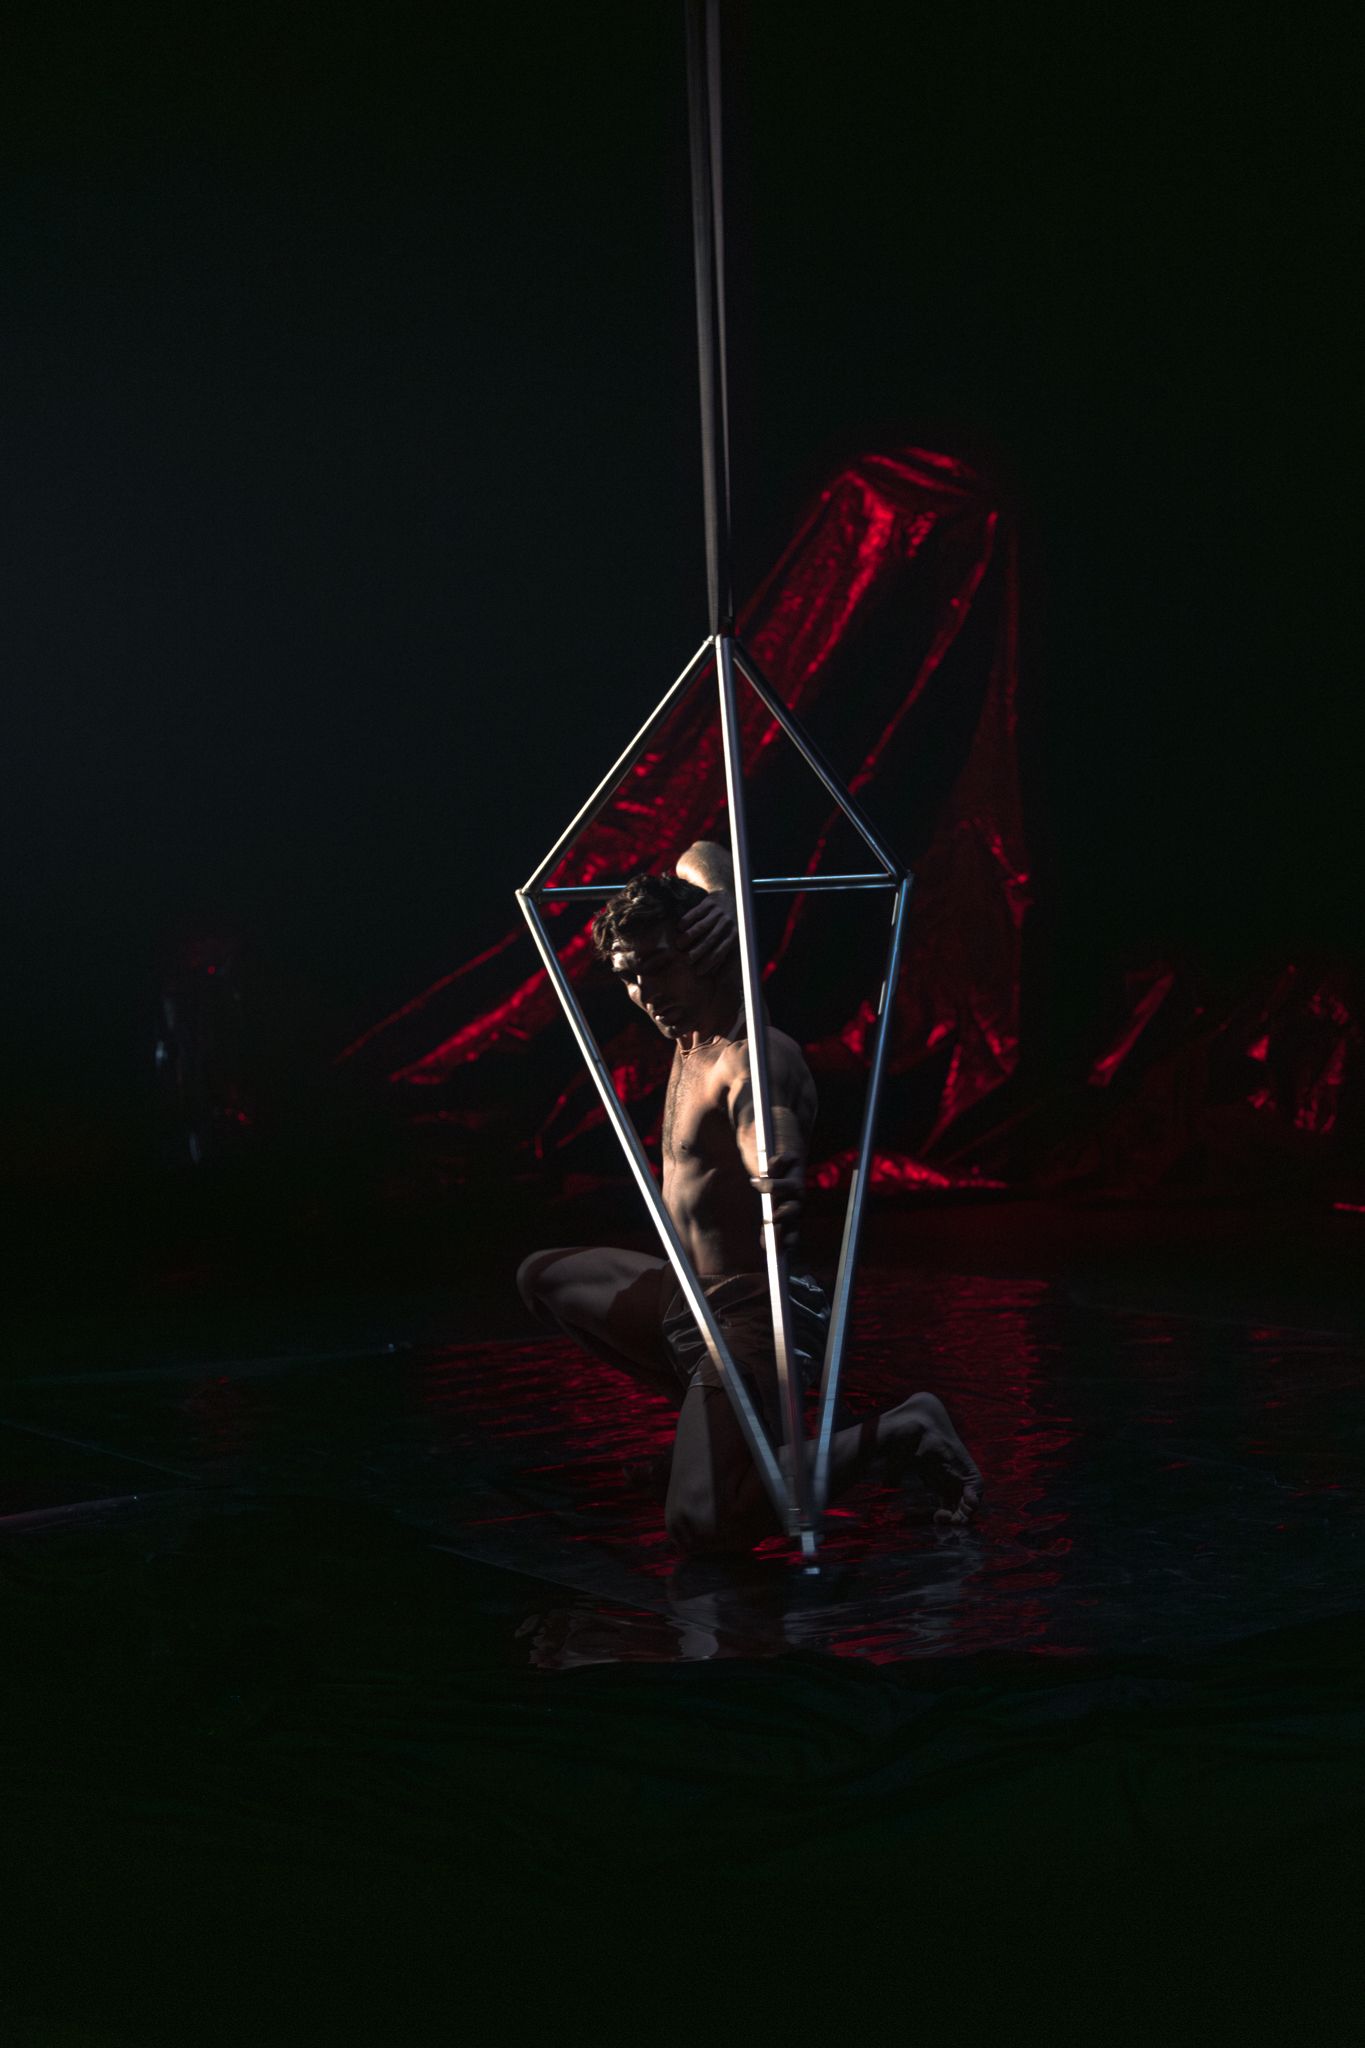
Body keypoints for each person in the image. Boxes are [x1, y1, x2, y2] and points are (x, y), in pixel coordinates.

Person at [517, 840, 983, 1556]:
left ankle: (903, 1429)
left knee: (698, 1523)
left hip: (754, 1319)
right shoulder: (687, 1032)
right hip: (688, 1301)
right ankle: (720, 1429)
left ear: (703, 950)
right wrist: (724, 896)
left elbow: (765, 1114)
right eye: (629, 978)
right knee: (543, 1278)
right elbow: (695, 853)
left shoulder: (748, 1049)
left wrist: (777, 1167)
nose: (646, 994)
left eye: (658, 968)